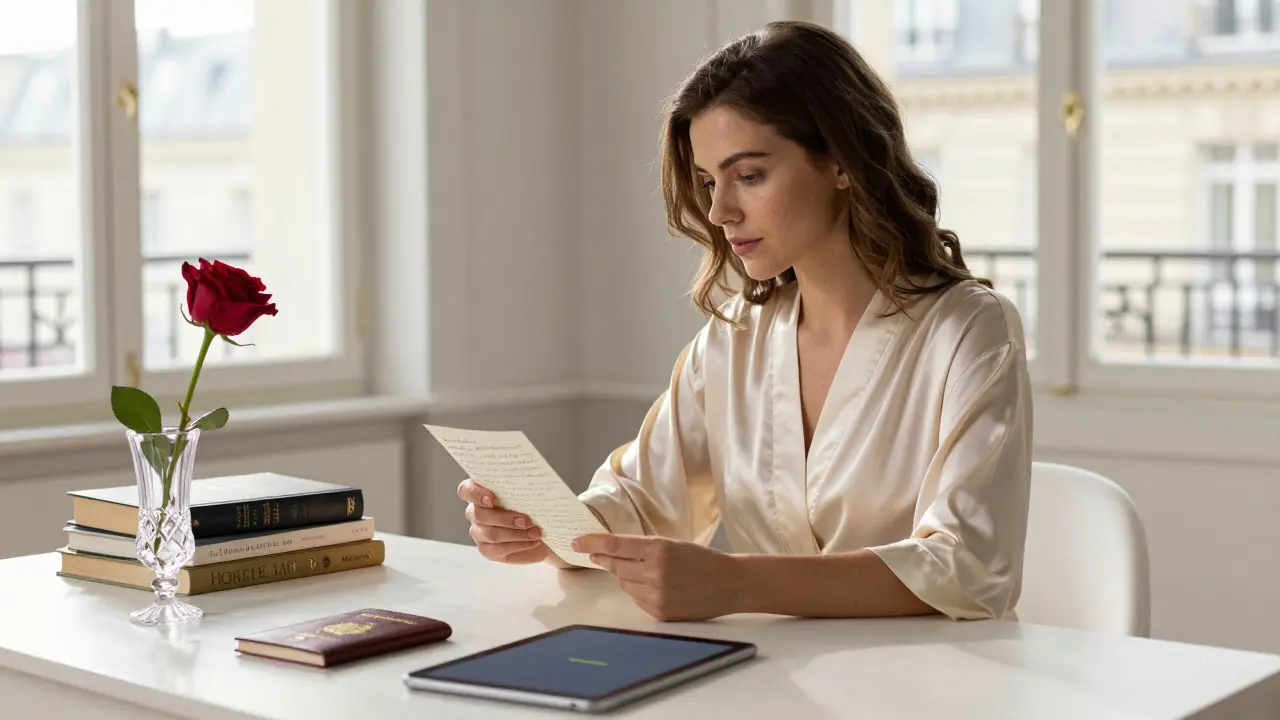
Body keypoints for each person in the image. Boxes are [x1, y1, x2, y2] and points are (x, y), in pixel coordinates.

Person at [457, 20, 1033, 623]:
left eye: (749, 175)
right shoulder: (735, 337)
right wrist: (539, 529)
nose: (719, 211)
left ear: (840, 161)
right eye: (708, 182)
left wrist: (739, 584)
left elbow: (968, 566)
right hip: (766, 678)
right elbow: (645, 501)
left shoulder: (969, 331)